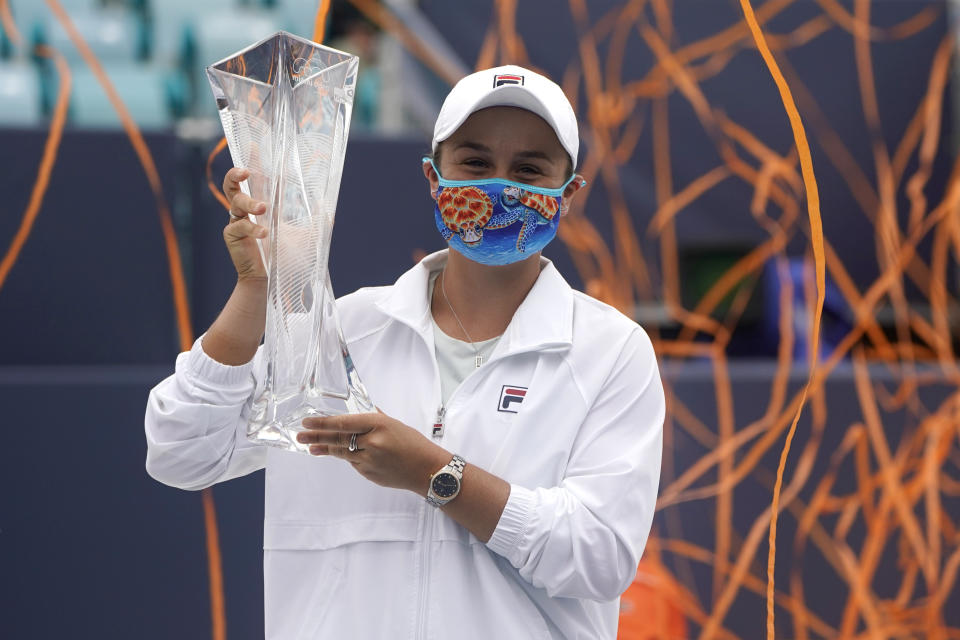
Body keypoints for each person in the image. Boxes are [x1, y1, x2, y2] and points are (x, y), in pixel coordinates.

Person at [145, 64, 664, 639]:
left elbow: (600, 557)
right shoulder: (340, 333)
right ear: (433, 176)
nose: (498, 184)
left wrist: (435, 474)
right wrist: (255, 293)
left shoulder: (610, 352)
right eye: (474, 162)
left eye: (529, 169)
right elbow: (180, 450)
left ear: (568, 192)